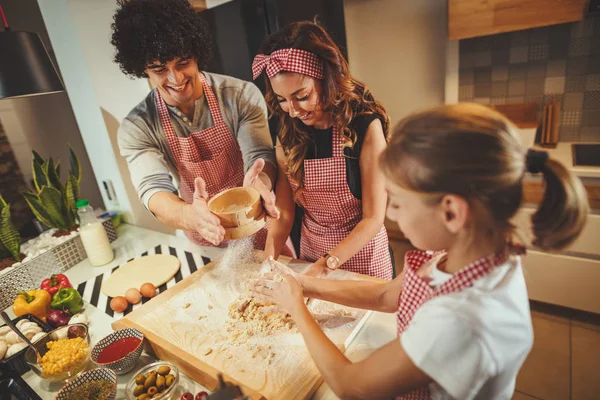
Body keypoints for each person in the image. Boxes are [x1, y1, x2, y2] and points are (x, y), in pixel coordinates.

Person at [253, 104, 589, 399]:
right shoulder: (471, 248)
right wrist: (303, 285)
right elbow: (386, 296)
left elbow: (350, 386)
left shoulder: (462, 320)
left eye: (397, 203)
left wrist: (297, 308)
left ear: (451, 213)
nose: (391, 215)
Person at [112, 0, 293, 255]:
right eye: (160, 69)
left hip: (257, 228)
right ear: (142, 69)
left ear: (196, 53)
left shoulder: (240, 96)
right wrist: (191, 216)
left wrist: (260, 182)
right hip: (205, 242)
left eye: (183, 63)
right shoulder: (138, 126)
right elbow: (154, 190)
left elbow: (258, 156)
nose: (175, 79)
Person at [252, 22, 394, 279]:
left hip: (363, 258)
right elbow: (284, 211)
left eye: (302, 96)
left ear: (326, 80)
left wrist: (326, 265)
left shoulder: (364, 126)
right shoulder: (288, 131)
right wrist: (268, 260)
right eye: (283, 100)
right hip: (311, 252)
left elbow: (373, 219)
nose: (293, 111)